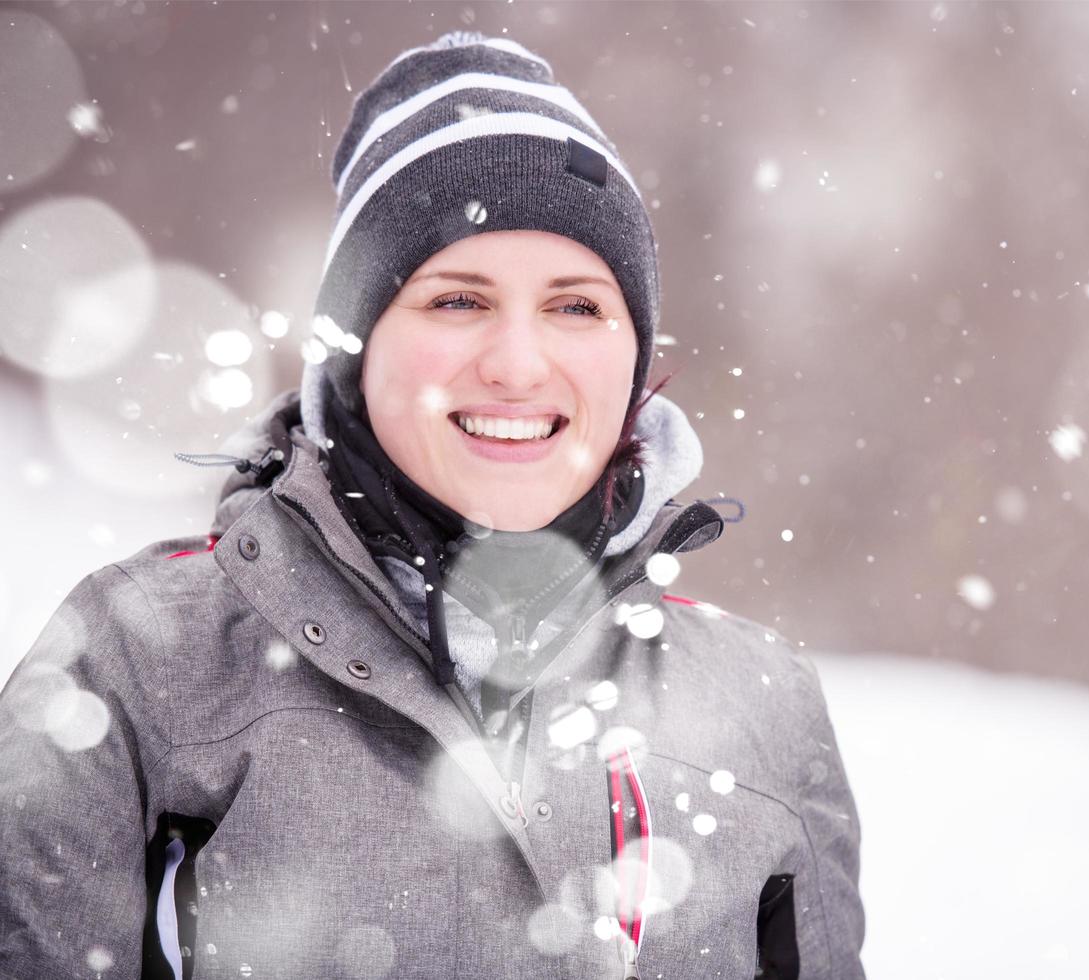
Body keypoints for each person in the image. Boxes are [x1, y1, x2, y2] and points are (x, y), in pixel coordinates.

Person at [0, 32, 865, 980]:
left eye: (576, 306)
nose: (518, 363)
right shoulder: (137, 658)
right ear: (357, 347)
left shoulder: (762, 705)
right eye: (457, 300)